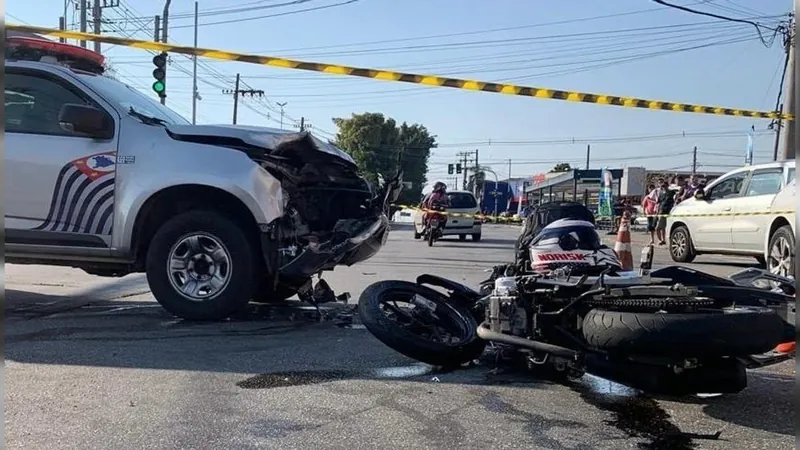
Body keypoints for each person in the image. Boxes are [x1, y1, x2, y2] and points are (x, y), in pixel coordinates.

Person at [655, 179, 674, 246]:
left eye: (665, 186)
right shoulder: (661, 194)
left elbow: (677, 193)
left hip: (667, 211)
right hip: (661, 211)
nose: (664, 187)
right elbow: (658, 202)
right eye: (663, 186)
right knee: (660, 228)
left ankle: (662, 240)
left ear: (667, 186)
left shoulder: (671, 193)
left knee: (661, 228)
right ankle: (661, 240)